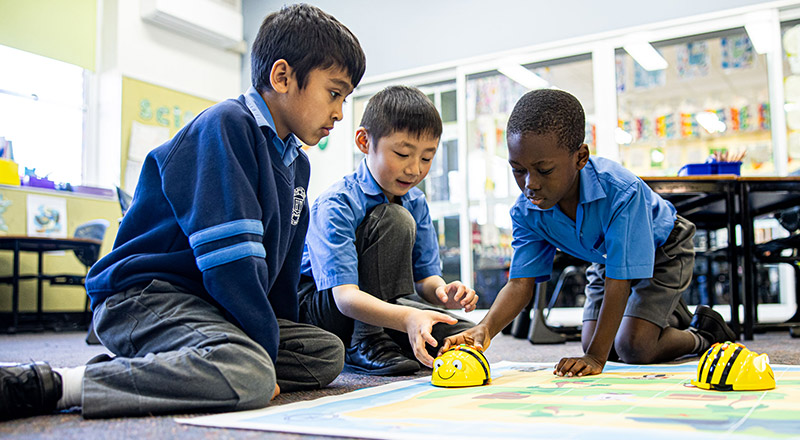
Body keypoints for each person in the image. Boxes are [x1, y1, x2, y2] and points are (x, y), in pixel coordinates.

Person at [0, 4, 366, 420]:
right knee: (249, 373)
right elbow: (232, 264)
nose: (339, 112)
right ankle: (54, 384)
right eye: (333, 93)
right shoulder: (227, 125)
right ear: (282, 77)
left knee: (325, 353)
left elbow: (278, 277)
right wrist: (262, 357)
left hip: (208, 303)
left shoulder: (296, 163)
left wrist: (273, 339)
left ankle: (195, 365)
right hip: (144, 296)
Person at [441, 89, 736, 377]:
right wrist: (485, 328)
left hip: (665, 249)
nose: (530, 183)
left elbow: (619, 282)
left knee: (633, 346)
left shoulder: (622, 191)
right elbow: (520, 284)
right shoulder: (528, 210)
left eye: (544, 170)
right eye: (518, 170)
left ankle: (703, 335)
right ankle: (659, 315)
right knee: (596, 341)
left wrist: (595, 358)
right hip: (607, 260)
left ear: (580, 157)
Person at [299, 85, 479, 376]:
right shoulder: (337, 203)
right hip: (325, 306)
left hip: (384, 303)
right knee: (394, 218)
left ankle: (386, 338)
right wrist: (406, 316)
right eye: (402, 153)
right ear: (364, 141)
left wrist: (443, 293)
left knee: (462, 335)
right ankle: (365, 341)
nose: (414, 170)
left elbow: (424, 279)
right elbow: (344, 296)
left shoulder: (416, 201)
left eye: (426, 158)